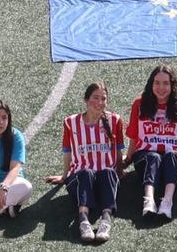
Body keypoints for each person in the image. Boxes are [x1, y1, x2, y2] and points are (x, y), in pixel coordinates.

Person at [44, 82, 125, 243]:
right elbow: (67, 151)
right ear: (86, 100)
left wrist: (120, 171)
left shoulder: (114, 120)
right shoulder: (71, 122)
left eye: (104, 98)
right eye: (96, 98)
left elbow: (119, 150)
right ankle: (83, 220)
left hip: (104, 178)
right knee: (86, 172)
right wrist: (64, 176)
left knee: (109, 171)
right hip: (80, 178)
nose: (100, 102)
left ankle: (106, 220)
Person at [121, 65, 177, 221]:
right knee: (153, 157)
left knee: (171, 155)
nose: (161, 87)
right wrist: (129, 157)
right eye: (157, 83)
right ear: (151, 84)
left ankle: (167, 202)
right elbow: (134, 135)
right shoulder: (139, 104)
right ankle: (148, 200)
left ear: (172, 85)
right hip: (146, 156)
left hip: (174, 156)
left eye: (165, 83)